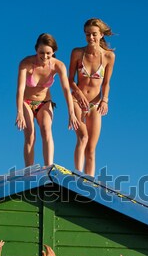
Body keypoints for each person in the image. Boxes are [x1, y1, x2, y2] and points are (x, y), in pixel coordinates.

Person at [15, 33, 79, 167]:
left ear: (54, 51)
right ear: (36, 50)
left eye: (48, 53)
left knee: (46, 129)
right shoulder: (26, 64)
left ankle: (48, 168)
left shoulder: (58, 66)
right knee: (30, 134)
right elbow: (20, 90)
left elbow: (66, 90)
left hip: (45, 102)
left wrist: (71, 113)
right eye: (41, 53)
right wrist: (19, 112)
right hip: (26, 102)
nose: (44, 56)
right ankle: (29, 170)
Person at [69, 18, 116, 177]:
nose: (91, 38)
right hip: (77, 101)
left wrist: (105, 100)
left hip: (95, 105)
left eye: (94, 34)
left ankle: (89, 182)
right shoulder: (77, 53)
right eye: (87, 34)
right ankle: (77, 174)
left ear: (101, 35)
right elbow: (69, 80)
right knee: (83, 137)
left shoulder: (109, 57)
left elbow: (106, 83)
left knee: (91, 148)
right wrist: (78, 92)